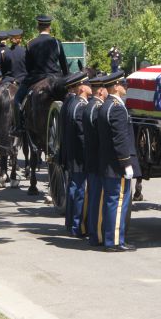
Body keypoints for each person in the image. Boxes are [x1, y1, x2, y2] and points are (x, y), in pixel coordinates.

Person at [97, 71, 139, 252]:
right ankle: (114, 241)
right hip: (117, 165)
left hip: (108, 163)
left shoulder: (106, 105)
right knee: (118, 202)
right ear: (115, 86)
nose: (126, 87)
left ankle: (110, 238)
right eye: (123, 84)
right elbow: (120, 139)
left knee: (111, 201)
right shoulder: (117, 108)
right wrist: (126, 163)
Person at [13, 15, 69, 132]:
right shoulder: (57, 42)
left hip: (36, 77)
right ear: (49, 27)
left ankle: (19, 127)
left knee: (17, 100)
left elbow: (28, 67)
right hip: (56, 78)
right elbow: (64, 64)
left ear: (38, 27)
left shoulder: (30, 43)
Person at [60, 72, 92, 237]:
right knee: (78, 190)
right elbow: (82, 136)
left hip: (73, 154)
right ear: (81, 87)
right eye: (88, 84)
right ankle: (77, 226)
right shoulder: (80, 106)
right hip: (80, 155)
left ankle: (71, 224)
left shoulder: (73, 103)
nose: (91, 87)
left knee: (74, 188)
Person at [83, 75, 107, 246]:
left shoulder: (90, 106)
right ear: (101, 90)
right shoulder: (97, 108)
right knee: (97, 199)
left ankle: (92, 230)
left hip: (91, 157)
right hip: (97, 158)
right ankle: (96, 234)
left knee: (93, 196)